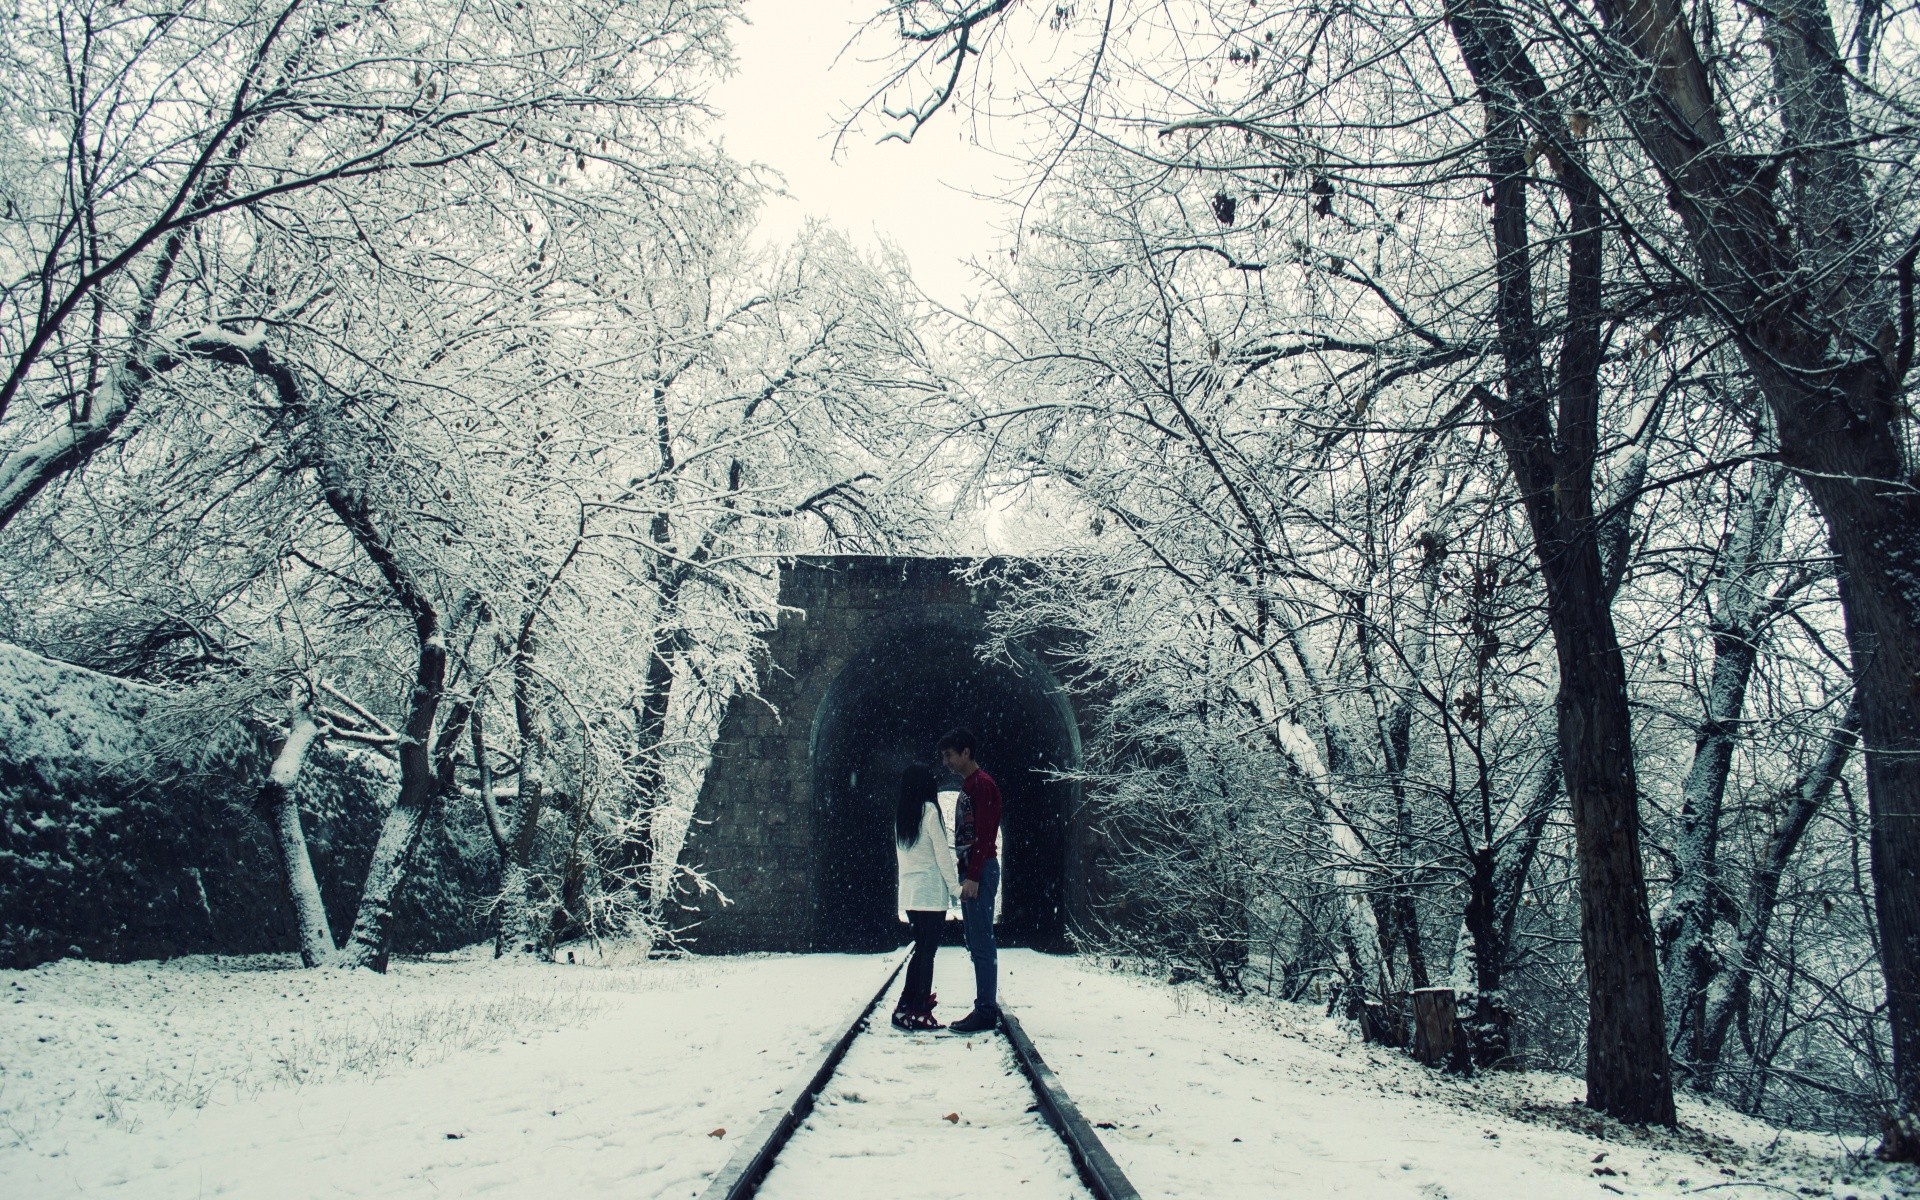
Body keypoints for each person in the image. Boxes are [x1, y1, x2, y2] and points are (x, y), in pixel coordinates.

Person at [938, 727, 1002, 1033]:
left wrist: (974, 876)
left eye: (949, 755)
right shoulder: (972, 785)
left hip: (981, 869)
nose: (946, 762)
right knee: (977, 940)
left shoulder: (982, 785)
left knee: (981, 941)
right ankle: (984, 1007)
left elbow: (985, 834)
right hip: (976, 870)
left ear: (966, 752)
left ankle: (986, 1010)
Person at [892, 763, 960, 1031]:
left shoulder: (903, 815)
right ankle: (920, 1010)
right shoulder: (930, 812)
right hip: (930, 893)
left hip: (911, 893)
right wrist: (955, 888)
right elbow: (942, 855)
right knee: (927, 953)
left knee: (920, 950)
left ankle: (905, 1007)